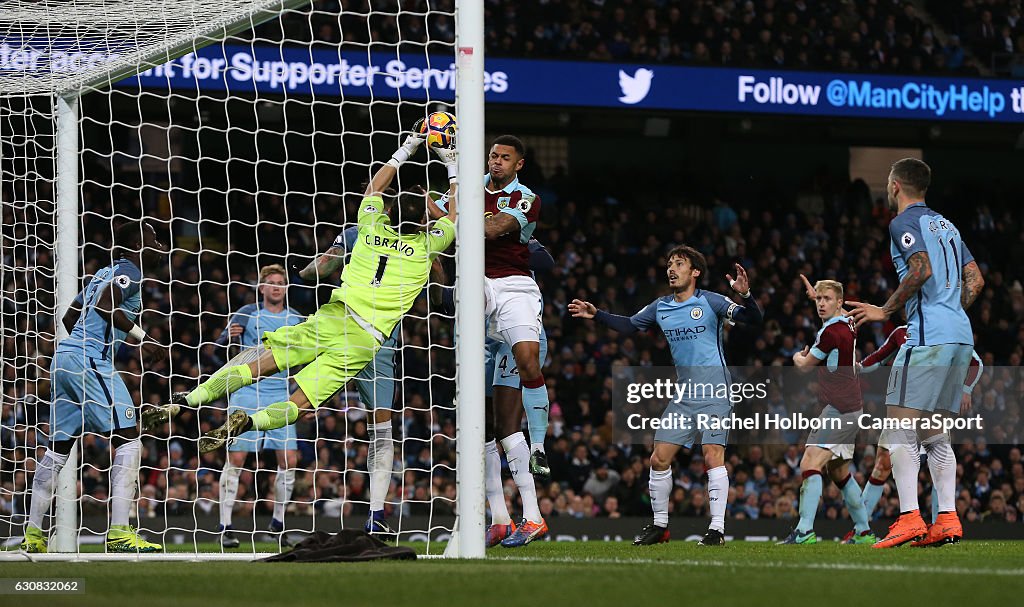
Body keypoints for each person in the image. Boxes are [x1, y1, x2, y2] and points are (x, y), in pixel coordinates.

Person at [149, 123, 457, 460]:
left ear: (390, 211)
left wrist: (408, 148)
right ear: (426, 221)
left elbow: (372, 189)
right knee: (301, 403)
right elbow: (456, 214)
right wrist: (450, 161)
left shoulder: (369, 227)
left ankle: (186, 400)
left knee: (259, 366)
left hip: (334, 316)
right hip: (366, 340)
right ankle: (249, 422)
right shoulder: (429, 244)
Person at [570, 245, 762, 546]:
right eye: (670, 264)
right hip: (684, 396)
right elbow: (630, 325)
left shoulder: (711, 301)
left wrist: (746, 295)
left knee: (712, 456)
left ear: (695, 272)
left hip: (715, 391)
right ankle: (660, 526)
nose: (672, 269)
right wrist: (597, 315)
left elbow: (754, 320)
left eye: (680, 264)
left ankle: (716, 530)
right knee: (658, 459)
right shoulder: (661, 307)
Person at [848, 158, 984, 548]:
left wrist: (886, 310)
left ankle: (909, 516)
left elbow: (920, 269)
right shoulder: (948, 226)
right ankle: (948, 519)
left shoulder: (902, 223)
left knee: (899, 426)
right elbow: (976, 279)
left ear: (894, 187)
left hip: (928, 337)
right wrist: (951, 311)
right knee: (935, 433)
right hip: (960, 336)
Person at [22, 222, 167, 553]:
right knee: (129, 438)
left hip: (64, 360)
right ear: (136, 244)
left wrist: (90, 343)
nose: (159, 245)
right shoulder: (130, 270)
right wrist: (144, 340)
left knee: (57, 450)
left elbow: (70, 318)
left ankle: (33, 535)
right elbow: (105, 306)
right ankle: (118, 532)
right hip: (88, 361)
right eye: (153, 239)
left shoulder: (102, 272)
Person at [435, 135, 550, 547]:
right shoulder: (470, 185)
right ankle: (500, 516)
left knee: (509, 414)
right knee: (476, 419)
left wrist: (453, 210)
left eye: (504, 157)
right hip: (477, 284)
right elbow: (439, 220)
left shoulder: (526, 198)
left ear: (519, 164)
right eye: (492, 156)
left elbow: (490, 228)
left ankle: (539, 451)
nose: (496, 162)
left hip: (514, 287)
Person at [213, 264, 303, 548]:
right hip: (246, 392)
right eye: (272, 283)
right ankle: (225, 525)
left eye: (281, 283)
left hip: (280, 393)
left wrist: (303, 393)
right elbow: (218, 351)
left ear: (286, 288)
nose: (277, 287)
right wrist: (229, 337)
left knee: (289, 460)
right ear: (262, 287)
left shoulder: (296, 319)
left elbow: (308, 358)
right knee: (237, 459)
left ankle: (277, 524)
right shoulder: (246, 314)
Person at [778, 276, 873, 545]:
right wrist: (818, 294)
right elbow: (834, 309)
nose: (821, 304)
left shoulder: (830, 333)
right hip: (851, 408)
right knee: (839, 472)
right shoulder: (848, 322)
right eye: (819, 299)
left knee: (810, 462)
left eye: (826, 299)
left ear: (839, 302)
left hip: (839, 409)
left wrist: (797, 357)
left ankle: (805, 530)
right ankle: (864, 531)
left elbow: (806, 365)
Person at [858, 325, 984, 522]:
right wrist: (856, 368)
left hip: (932, 409)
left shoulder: (945, 330)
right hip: (901, 408)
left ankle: (940, 524)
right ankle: (861, 527)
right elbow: (879, 357)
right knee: (883, 463)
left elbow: (976, 362)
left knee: (937, 465)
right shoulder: (901, 332)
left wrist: (966, 389)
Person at [484, 238, 554, 547]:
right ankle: (499, 519)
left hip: (517, 337)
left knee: (506, 426)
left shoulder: (511, 228)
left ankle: (534, 517)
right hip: (483, 336)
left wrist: (500, 242)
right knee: (480, 429)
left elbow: (545, 261)